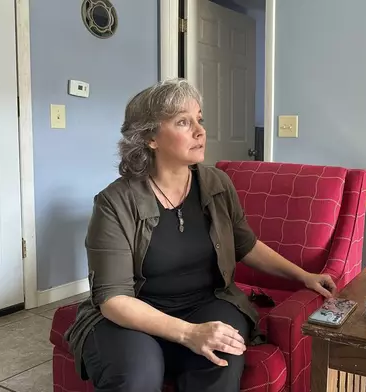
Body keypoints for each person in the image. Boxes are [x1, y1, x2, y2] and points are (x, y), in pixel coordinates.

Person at [64, 78, 337, 392]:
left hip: (209, 301)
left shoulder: (217, 184)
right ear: (150, 137)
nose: (200, 130)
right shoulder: (115, 202)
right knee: (137, 374)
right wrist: (187, 333)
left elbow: (245, 245)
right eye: (183, 122)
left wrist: (304, 276)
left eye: (199, 119)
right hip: (135, 311)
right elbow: (113, 299)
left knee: (222, 353)